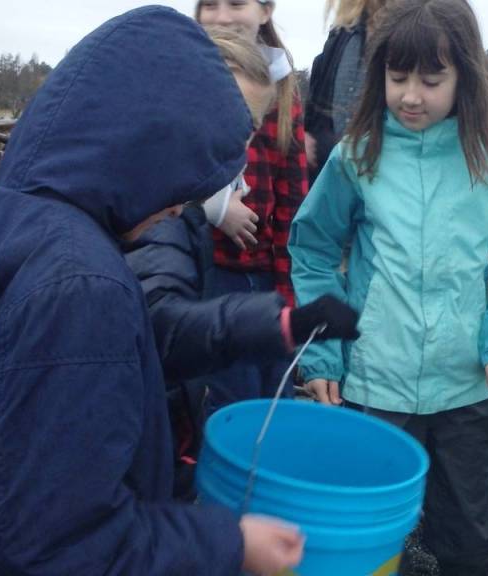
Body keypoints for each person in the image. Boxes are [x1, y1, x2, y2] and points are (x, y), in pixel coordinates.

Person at [0, 8, 306, 575]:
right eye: (189, 173)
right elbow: (67, 542)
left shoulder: (2, 211)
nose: (184, 204)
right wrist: (230, 543)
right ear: (148, 141)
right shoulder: (82, 282)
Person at [288, 0, 488, 573]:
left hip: (465, 386)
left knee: (468, 539)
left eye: (431, 81)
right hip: (374, 385)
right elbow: (312, 251)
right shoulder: (357, 155)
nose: (411, 96)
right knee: (369, 535)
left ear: (465, 77)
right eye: (397, 77)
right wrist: (323, 354)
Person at [124, 27, 360, 502]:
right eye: (232, 121)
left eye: (250, 127)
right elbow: (164, 322)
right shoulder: (150, 206)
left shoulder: (178, 200)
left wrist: (289, 322)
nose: (241, 144)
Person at [194, 0, 311, 416]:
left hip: (268, 272)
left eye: (237, 3)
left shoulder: (283, 88)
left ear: (265, 11)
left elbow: (293, 196)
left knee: (277, 392)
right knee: (232, 398)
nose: (223, 16)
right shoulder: (182, 77)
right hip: (209, 275)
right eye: (209, 5)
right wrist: (215, 207)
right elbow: (157, 175)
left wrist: (288, 289)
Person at [305, 0, 391, 182]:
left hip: (383, 172)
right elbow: (317, 109)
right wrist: (307, 136)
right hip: (331, 171)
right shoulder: (342, 33)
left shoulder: (414, 31)